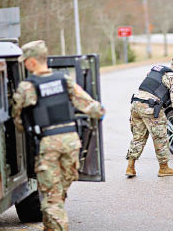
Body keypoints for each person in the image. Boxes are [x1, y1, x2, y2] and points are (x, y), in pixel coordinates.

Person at [12, 40, 105, 231]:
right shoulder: (64, 80)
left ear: (31, 62)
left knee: (52, 200)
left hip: (49, 146)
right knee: (57, 194)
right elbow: (93, 108)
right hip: (71, 144)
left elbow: (18, 120)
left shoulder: (27, 87)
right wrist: (100, 114)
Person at [126, 54, 173, 177]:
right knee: (160, 137)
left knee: (138, 137)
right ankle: (164, 168)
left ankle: (130, 167)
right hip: (150, 108)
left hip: (136, 105)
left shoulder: (156, 70)